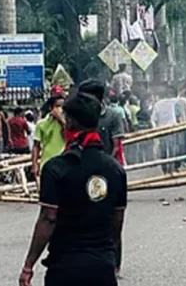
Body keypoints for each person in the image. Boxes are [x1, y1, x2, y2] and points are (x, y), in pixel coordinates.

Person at [19, 90, 127, 286]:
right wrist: (109, 257)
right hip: (102, 266)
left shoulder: (56, 168)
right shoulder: (115, 170)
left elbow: (48, 218)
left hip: (65, 266)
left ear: (68, 123)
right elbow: (117, 221)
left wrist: (29, 265)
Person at [32, 95, 67, 180]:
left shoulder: (68, 123)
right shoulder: (41, 124)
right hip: (47, 163)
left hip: (64, 163)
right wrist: (35, 164)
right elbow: (36, 146)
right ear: (51, 108)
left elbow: (68, 136)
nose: (60, 109)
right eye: (58, 106)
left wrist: (61, 120)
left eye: (62, 106)